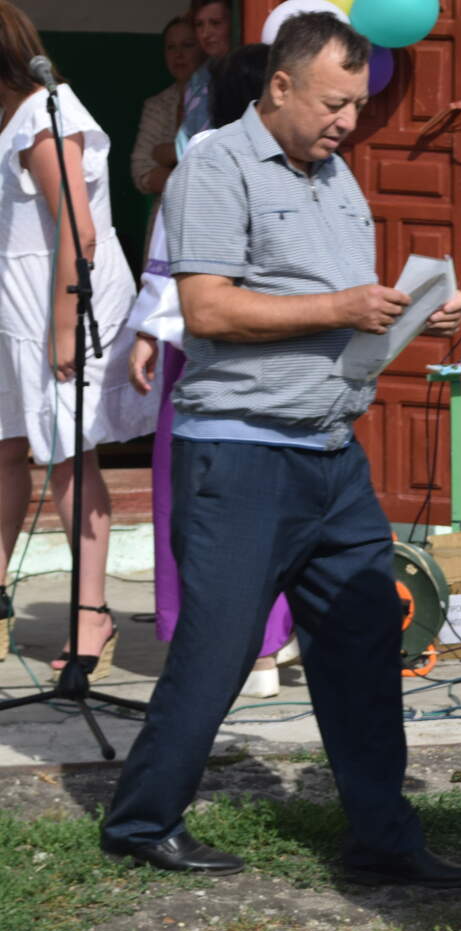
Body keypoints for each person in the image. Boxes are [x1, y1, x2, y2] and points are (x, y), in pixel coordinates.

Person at [101, 13, 461, 887]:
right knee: (221, 647)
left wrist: (418, 315)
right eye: (334, 102)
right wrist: (344, 308)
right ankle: (142, 820)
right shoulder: (214, 167)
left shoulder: (339, 178)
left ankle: (383, 838)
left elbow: (342, 311)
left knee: (363, 635)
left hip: (331, 453)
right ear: (279, 87)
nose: (347, 119)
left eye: (357, 103)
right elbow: (211, 311)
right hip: (240, 454)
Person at [127, 43, 297, 700]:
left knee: (198, 501)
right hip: (279, 345)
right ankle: (274, 637)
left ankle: (232, 649)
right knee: (271, 496)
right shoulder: (296, 159)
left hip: (204, 348)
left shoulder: (205, 155)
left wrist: (147, 329)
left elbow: (173, 258)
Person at [0, 0, 156, 675]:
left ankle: (92, 613)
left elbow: (79, 229)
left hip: (57, 304)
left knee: (69, 457)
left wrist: (65, 328)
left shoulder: (42, 113)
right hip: (14, 307)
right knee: (5, 452)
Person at [130, 16, 202, 200]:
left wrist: (167, 153)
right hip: (163, 217)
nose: (178, 55)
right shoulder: (157, 105)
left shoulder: (219, 95)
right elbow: (140, 170)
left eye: (187, 45)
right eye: (171, 47)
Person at [174, 0, 234, 159]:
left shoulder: (245, 74)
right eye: (199, 25)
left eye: (215, 23)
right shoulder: (197, 79)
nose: (206, 33)